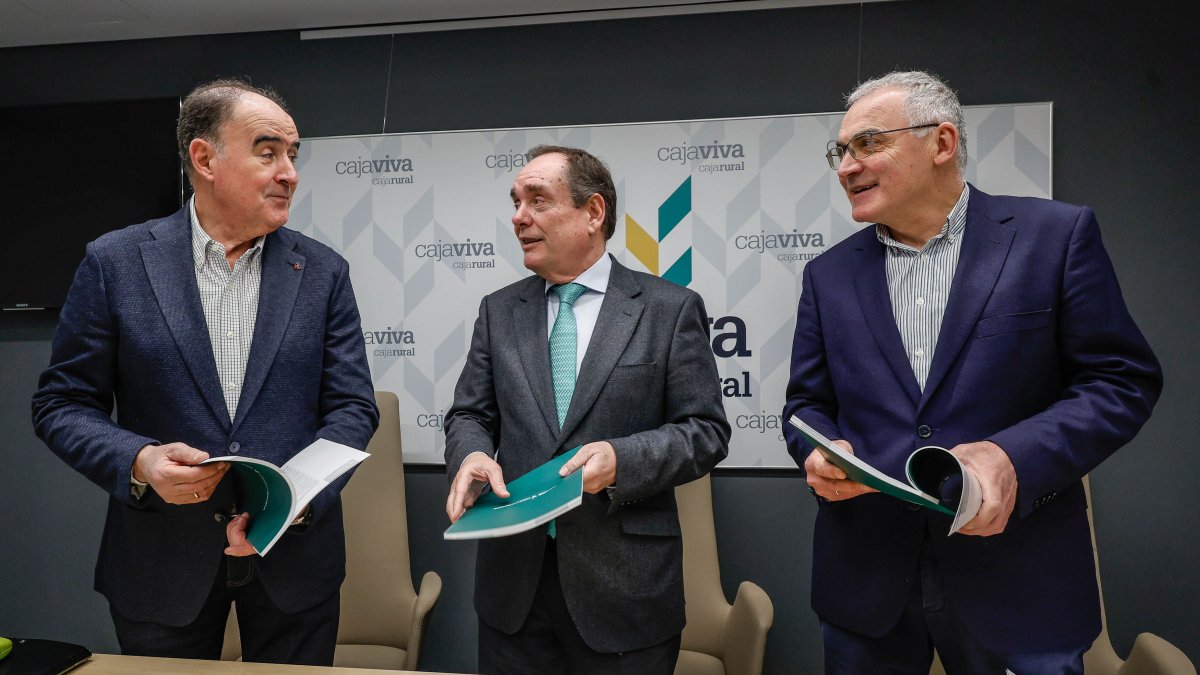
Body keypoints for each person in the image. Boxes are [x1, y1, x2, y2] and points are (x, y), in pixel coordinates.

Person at [782, 70, 1162, 674]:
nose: (846, 167)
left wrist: (1014, 458)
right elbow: (805, 405)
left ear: (941, 143)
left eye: (868, 144)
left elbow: (1120, 381)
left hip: (1020, 580)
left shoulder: (1055, 237)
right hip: (867, 584)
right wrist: (817, 449)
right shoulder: (827, 276)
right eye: (840, 151)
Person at [31, 78, 378, 665]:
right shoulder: (115, 262)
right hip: (160, 560)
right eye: (267, 152)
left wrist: (292, 500)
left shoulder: (323, 272)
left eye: (293, 155)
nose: (289, 171)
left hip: (293, 560)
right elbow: (61, 404)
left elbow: (353, 406)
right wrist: (138, 460)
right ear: (204, 158)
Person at [444, 145, 730, 675]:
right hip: (514, 595)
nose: (518, 217)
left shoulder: (669, 310)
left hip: (625, 593)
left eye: (537, 201)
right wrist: (472, 455)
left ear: (593, 212)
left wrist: (622, 460)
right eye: (515, 202)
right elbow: (470, 414)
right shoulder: (499, 310)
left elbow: (705, 432)